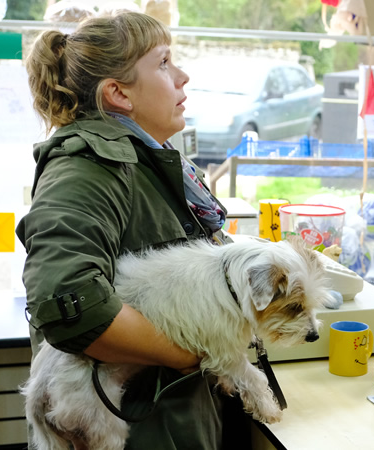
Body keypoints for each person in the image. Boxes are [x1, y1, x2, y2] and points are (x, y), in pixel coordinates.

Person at [16, 11, 245, 448]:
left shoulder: (147, 158)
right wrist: (190, 354)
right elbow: (68, 302)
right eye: (162, 63)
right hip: (135, 429)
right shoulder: (87, 167)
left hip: (173, 421)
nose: (182, 76)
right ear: (118, 93)